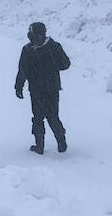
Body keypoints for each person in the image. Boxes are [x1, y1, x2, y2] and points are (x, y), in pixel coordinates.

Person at [14, 21, 71, 154]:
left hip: (45, 89)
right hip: (42, 89)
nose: (33, 38)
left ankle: (51, 143)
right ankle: (49, 143)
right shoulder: (30, 49)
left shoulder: (51, 47)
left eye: (33, 34)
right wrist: (18, 86)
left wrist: (19, 86)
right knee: (45, 116)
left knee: (44, 116)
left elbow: (65, 64)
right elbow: (23, 70)